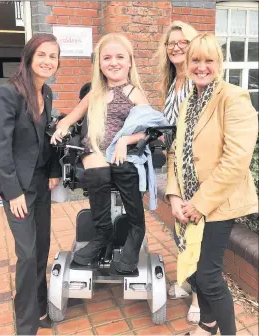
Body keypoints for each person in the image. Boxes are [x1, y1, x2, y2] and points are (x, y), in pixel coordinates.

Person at [51, 33, 169, 273]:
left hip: (120, 149)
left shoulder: (133, 92)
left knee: (123, 167)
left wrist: (127, 139)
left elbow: (155, 130)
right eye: (107, 58)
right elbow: (70, 119)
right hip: (93, 148)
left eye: (119, 57)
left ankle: (136, 230)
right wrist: (60, 129)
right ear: (100, 64)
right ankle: (103, 233)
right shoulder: (93, 93)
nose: (113, 62)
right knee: (97, 169)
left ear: (129, 62)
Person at [165, 33, 258, 335]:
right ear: (187, 63)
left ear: (219, 63)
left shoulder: (233, 97)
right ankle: (207, 325)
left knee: (208, 276)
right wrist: (175, 195)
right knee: (193, 271)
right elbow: (175, 152)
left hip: (219, 203)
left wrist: (198, 204)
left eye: (209, 60)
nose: (201, 66)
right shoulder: (189, 101)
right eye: (195, 60)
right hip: (189, 203)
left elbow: (236, 161)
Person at [0, 33, 62, 335]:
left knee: (41, 249)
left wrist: (54, 168)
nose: (47, 61)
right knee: (27, 254)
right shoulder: (9, 94)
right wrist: (13, 191)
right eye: (42, 54)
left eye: (53, 56)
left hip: (42, 183)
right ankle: (26, 325)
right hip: (17, 187)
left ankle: (41, 309)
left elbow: (48, 136)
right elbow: (1, 147)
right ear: (29, 57)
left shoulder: (49, 93)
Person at [156, 21, 200, 324]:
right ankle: (187, 281)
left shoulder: (198, 81)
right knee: (180, 229)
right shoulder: (173, 82)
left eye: (182, 42)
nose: (175, 47)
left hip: (195, 167)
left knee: (197, 231)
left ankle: (200, 296)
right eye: (171, 43)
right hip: (175, 167)